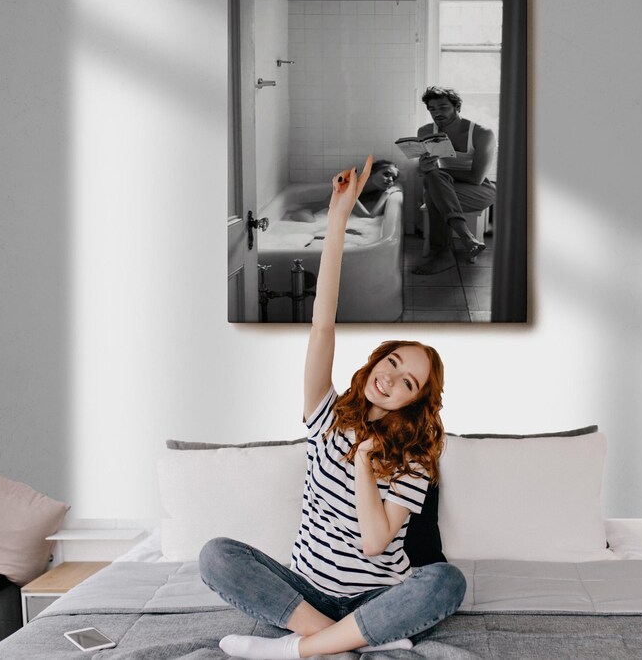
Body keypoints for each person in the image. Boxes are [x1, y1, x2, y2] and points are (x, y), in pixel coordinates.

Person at [199, 156, 466, 658]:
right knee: (216, 555)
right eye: (390, 362)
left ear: (415, 400)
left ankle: (296, 650)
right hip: (306, 594)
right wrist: (338, 218)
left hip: (377, 597)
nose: (390, 379)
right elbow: (323, 324)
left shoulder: (414, 457)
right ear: (374, 362)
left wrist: (366, 462)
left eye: (407, 381)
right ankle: (337, 642)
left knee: (446, 582)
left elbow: (373, 544)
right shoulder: (326, 415)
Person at [414, 86, 497, 275]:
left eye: (443, 107)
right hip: (444, 186)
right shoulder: (426, 131)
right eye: (432, 109)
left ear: (457, 108)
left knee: (434, 187)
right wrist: (425, 168)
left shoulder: (482, 133)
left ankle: (443, 254)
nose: (437, 113)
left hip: (480, 189)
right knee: (433, 182)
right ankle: (467, 238)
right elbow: (426, 170)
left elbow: (476, 178)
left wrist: (440, 173)